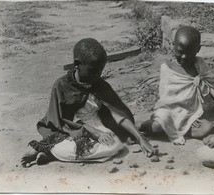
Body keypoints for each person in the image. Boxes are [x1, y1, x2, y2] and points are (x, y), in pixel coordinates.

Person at [21, 38, 155, 167]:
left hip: (98, 124)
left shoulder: (100, 84)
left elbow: (119, 115)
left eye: (101, 70)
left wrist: (140, 138)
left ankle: (53, 155)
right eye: (94, 71)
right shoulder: (61, 85)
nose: (98, 75)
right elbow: (62, 121)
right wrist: (95, 133)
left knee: (115, 145)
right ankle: (48, 150)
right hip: (71, 131)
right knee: (71, 147)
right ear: (77, 64)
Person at [140, 26, 214, 145]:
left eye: (189, 53)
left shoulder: (199, 65)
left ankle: (176, 130)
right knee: (156, 126)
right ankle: (146, 126)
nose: (184, 57)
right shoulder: (167, 68)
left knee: (208, 129)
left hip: (189, 115)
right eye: (180, 52)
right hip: (169, 112)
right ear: (173, 45)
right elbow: (166, 100)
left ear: (198, 49)